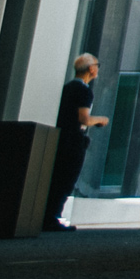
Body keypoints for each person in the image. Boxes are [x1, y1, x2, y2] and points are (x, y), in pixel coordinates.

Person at [41, 53, 107, 232]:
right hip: (73, 140)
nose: (98, 69)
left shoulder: (67, 88)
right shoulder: (85, 91)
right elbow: (84, 118)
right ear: (91, 69)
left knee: (56, 177)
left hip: (60, 137)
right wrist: (100, 119)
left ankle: (46, 215)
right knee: (67, 178)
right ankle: (52, 217)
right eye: (97, 65)